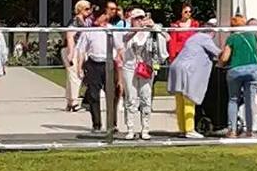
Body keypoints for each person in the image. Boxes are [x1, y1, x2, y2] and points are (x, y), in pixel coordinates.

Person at [120, 10, 167, 140]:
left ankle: (145, 128)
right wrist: (136, 29)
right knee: (131, 98)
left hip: (147, 67)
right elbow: (125, 38)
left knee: (146, 97)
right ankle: (130, 128)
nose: (140, 21)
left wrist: (154, 27)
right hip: (130, 67)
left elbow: (167, 38)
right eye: (137, 18)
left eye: (142, 18)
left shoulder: (150, 31)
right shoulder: (128, 31)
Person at [167, 25, 221, 139]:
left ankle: (182, 129)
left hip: (176, 67)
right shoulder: (205, 38)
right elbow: (217, 53)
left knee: (179, 101)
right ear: (211, 32)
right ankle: (190, 129)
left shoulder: (193, 37)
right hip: (188, 70)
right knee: (189, 99)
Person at [220, 15, 257, 138]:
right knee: (250, 101)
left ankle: (232, 130)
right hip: (253, 70)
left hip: (236, 70)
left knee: (233, 99)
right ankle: (250, 131)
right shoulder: (253, 36)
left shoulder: (232, 38)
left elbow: (225, 58)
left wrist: (220, 63)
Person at [77, 13, 111, 132]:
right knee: (93, 95)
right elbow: (81, 50)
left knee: (111, 95)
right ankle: (96, 124)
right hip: (93, 64)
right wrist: (79, 67)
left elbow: (120, 48)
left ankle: (112, 124)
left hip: (108, 64)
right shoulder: (89, 31)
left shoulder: (111, 29)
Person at [63, 0, 91, 112]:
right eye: (86, 9)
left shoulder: (84, 21)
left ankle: (70, 102)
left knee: (72, 77)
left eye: (89, 9)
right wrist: (71, 53)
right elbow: (70, 36)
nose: (89, 11)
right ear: (80, 9)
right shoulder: (76, 21)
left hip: (79, 50)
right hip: (73, 50)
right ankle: (74, 102)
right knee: (76, 76)